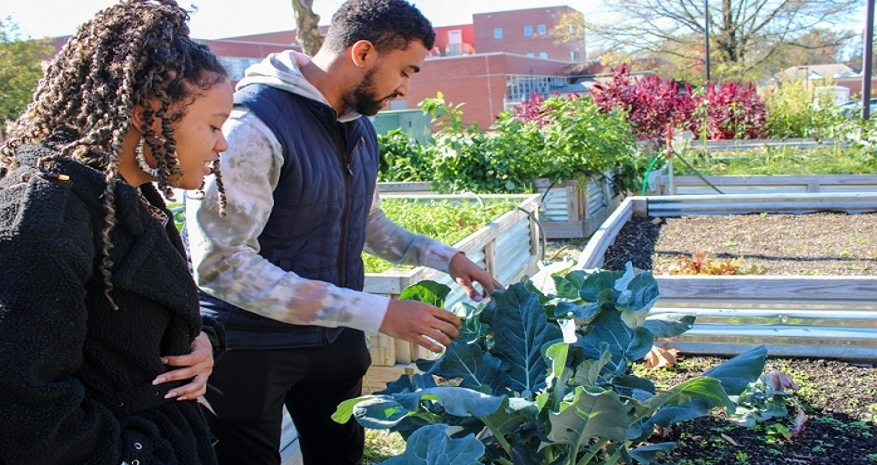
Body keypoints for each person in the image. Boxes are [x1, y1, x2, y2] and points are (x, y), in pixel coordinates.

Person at [184, 0, 502, 463]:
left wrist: (448, 258)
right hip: (250, 346)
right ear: (363, 53)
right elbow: (222, 265)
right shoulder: (251, 126)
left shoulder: (358, 126)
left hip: (334, 339)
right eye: (405, 71)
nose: (405, 88)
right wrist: (379, 313)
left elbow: (367, 223)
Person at [0, 1, 233, 464]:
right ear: (150, 111)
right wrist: (140, 454)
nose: (222, 144)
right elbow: (28, 409)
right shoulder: (43, 218)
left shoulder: (131, 196)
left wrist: (203, 341)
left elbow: (130, 328)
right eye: (214, 124)